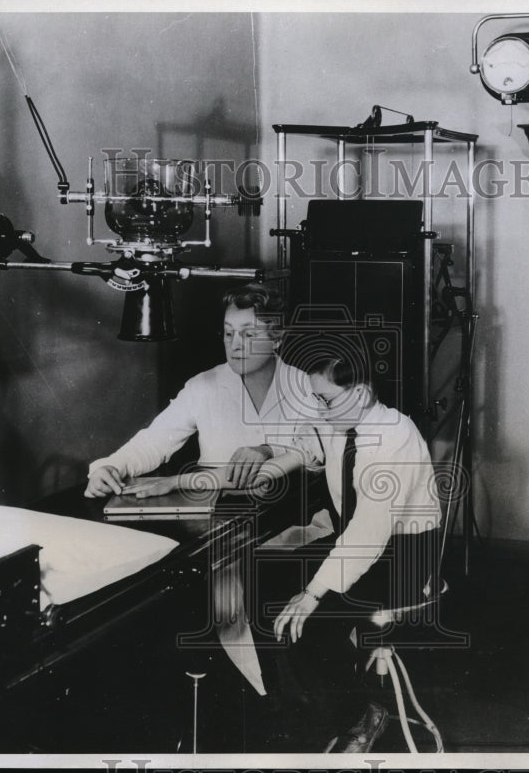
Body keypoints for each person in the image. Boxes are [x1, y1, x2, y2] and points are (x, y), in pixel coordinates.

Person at [255, 349, 442, 752]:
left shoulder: (395, 435)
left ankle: (361, 715)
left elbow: (370, 532)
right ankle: (302, 706)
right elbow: (307, 448)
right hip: (356, 542)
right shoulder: (341, 421)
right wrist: (264, 457)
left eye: (325, 400)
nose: (319, 410)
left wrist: (312, 593)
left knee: (314, 617)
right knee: (265, 580)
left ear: (359, 393)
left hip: (404, 554)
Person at [84, 284, 316, 498]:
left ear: (277, 339)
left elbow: (315, 452)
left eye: (249, 334)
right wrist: (110, 467)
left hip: (289, 515)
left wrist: (268, 450)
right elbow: (154, 442)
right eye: (228, 333)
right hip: (215, 514)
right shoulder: (203, 386)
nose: (235, 345)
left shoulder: (306, 386)